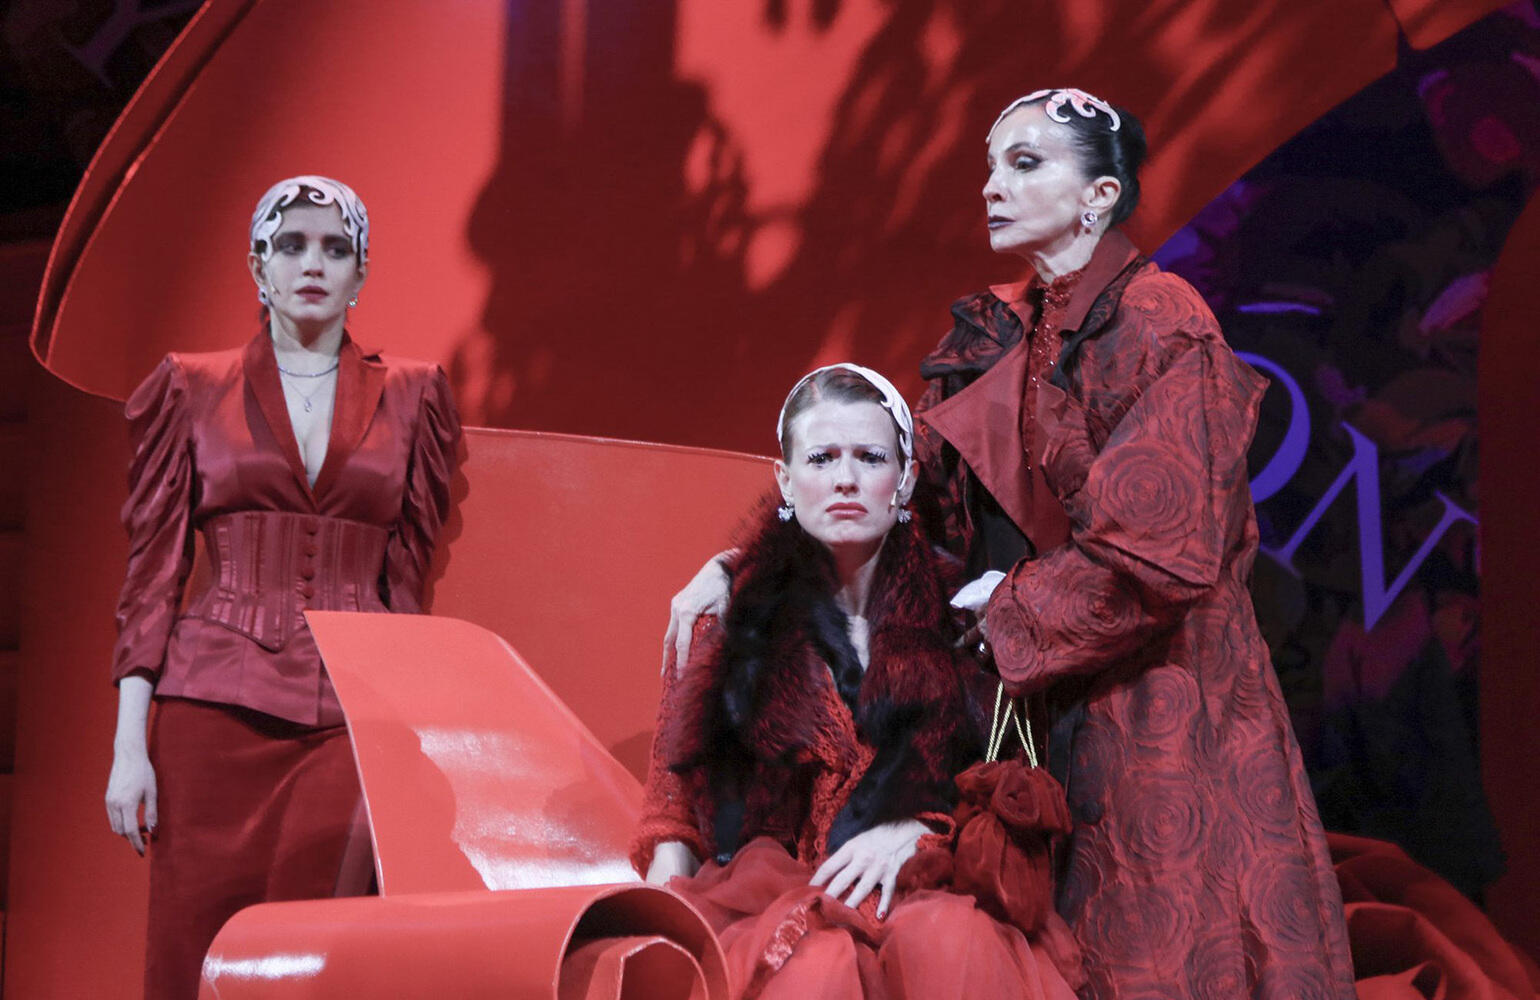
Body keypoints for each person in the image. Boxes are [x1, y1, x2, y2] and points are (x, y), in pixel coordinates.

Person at [666, 90, 1357, 999]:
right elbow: (898, 495)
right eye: (992, 166)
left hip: (1151, 700)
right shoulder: (996, 332)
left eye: (1025, 165)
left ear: (1100, 195)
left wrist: (1011, 606)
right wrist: (743, 568)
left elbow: (1164, 546)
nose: (993, 187)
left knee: (1151, 946)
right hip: (1021, 704)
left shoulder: (1163, 320)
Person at [102, 175, 462, 999]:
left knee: (327, 957)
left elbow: (408, 583)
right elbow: (152, 575)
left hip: (349, 721)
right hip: (209, 715)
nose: (313, 263)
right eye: (291, 245)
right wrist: (128, 748)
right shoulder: (192, 385)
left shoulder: (414, 394)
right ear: (258, 265)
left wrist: (410, 731)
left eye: (335, 249)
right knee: (194, 946)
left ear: (360, 274)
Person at [634, 364, 1080, 1000]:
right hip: (777, 903)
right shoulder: (726, 616)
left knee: (951, 943)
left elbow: (997, 787)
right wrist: (658, 938)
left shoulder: (965, 617)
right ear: (785, 481)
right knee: (816, 970)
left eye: (870, 457)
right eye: (822, 458)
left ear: (906, 480)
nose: (845, 478)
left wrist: (921, 829)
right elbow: (672, 817)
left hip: (923, 892)